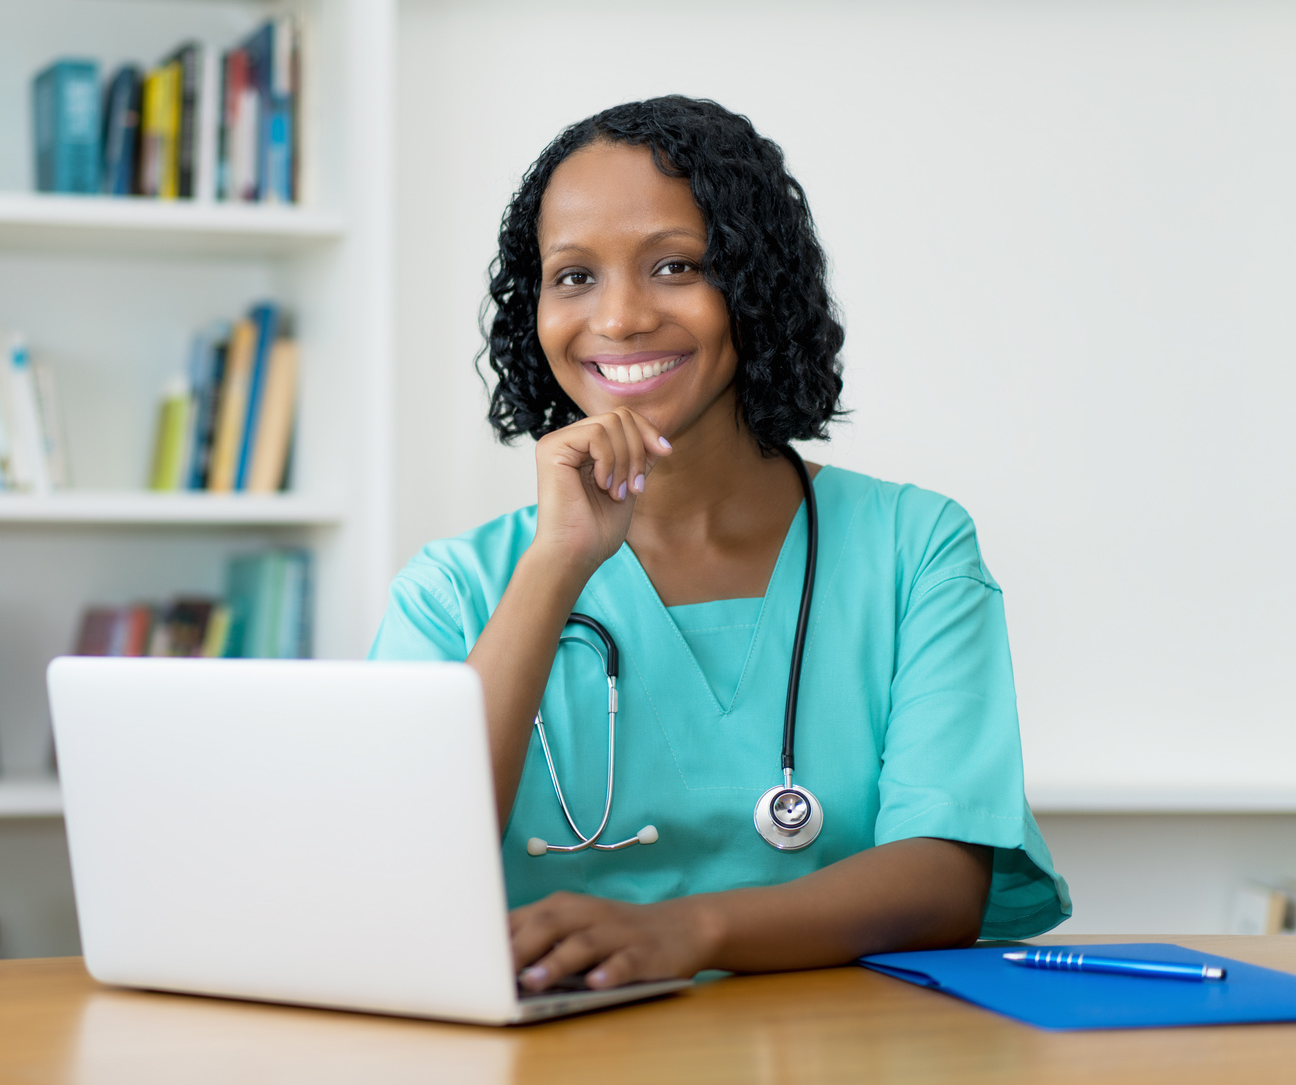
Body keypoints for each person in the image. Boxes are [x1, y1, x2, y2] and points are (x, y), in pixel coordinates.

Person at [370, 96, 1070, 993]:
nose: (618, 318)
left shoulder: (913, 548)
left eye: (674, 266)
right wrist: (555, 565)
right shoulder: (455, 590)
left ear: (752, 283)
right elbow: (398, 868)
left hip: (838, 1049)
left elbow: (942, 882)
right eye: (573, 276)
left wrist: (684, 931)